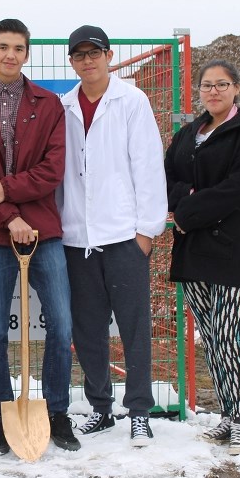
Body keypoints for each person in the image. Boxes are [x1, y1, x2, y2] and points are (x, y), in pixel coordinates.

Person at [0, 18, 80, 456]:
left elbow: (52, 171)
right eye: (3, 46)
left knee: (61, 323)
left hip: (43, 229)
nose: (11, 54)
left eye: (19, 48)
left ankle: (57, 413)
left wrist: (7, 193)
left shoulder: (48, 105)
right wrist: (9, 216)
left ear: (27, 54)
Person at [58, 25, 167, 447]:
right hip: (77, 239)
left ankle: (139, 410)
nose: (88, 61)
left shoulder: (131, 102)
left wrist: (145, 232)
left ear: (108, 55)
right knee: (87, 330)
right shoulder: (64, 106)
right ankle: (100, 408)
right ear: (72, 61)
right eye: (80, 54)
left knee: (134, 327)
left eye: (95, 53)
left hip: (124, 237)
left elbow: (147, 166)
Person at [165, 59, 240, 454]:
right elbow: (169, 179)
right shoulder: (187, 135)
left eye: (222, 84)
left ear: (236, 88)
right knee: (212, 339)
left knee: (229, 337)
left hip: (234, 249)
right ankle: (227, 415)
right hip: (195, 250)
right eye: (207, 85)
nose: (213, 91)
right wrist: (184, 199)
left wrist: (188, 210)